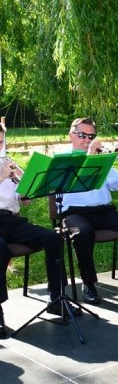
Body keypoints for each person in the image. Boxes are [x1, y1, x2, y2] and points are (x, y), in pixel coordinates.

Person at [59, 118, 118, 302]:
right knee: (83, 234)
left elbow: (116, 185)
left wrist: (105, 162)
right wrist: (89, 158)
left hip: (104, 211)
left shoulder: (101, 157)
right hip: (75, 213)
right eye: (82, 135)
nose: (87, 140)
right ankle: (89, 282)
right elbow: (69, 186)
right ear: (71, 135)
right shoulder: (62, 159)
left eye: (91, 136)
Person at [0, 128, 69, 338]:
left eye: (1, 141)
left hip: (11, 220)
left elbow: (25, 202)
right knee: (0, 250)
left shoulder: (7, 161)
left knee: (53, 237)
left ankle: (55, 297)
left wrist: (25, 184)